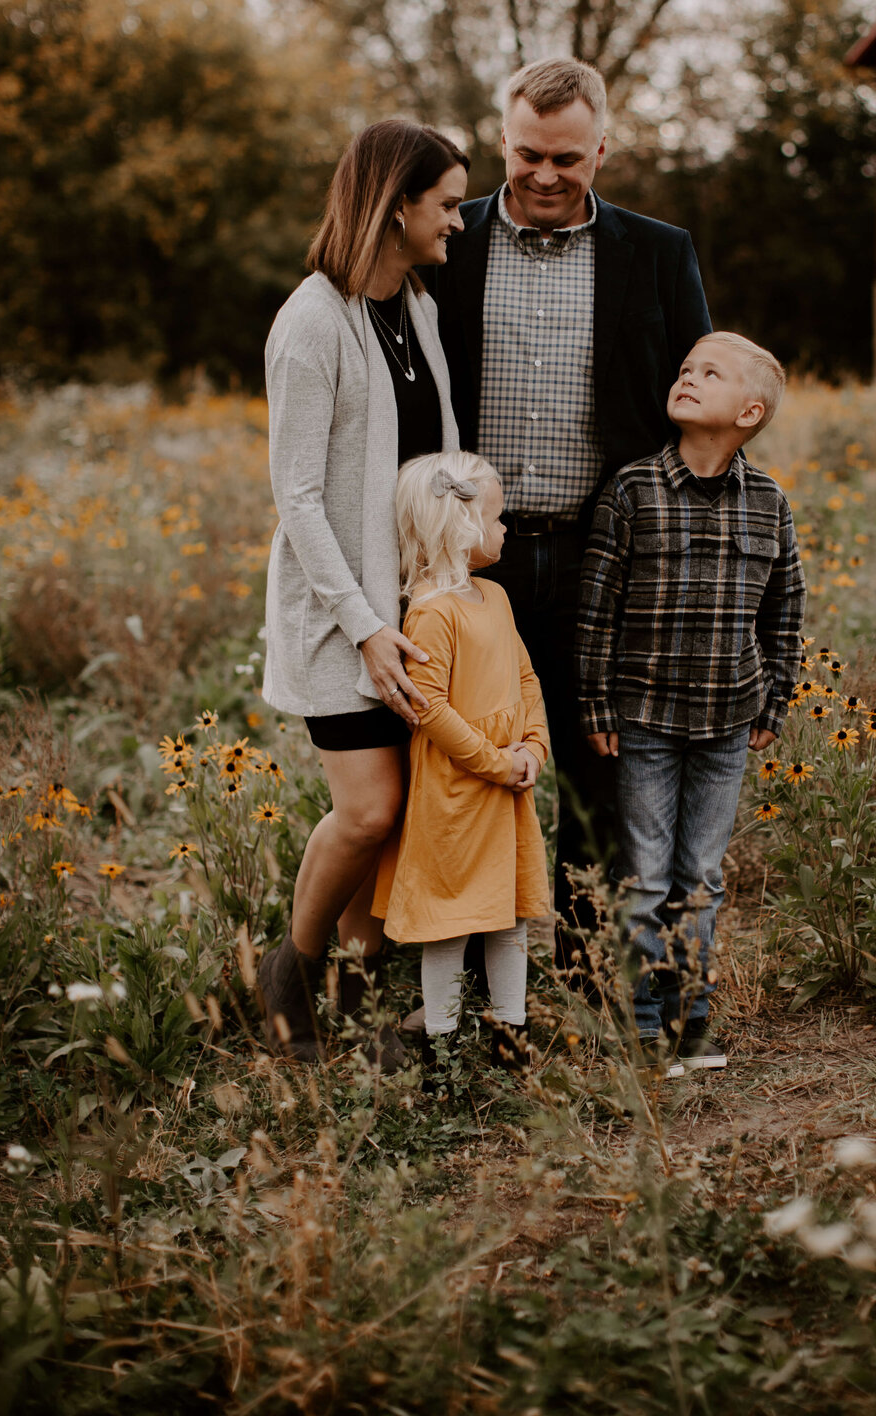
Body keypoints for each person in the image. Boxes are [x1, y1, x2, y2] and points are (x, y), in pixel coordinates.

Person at [426, 57, 711, 972]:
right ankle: (464, 971)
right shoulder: (444, 241)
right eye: (525, 154)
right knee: (472, 765)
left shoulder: (659, 252)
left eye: (566, 158)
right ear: (500, 140)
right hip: (472, 557)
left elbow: (696, 398)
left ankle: (587, 969)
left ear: (601, 148)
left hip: (602, 550)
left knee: (600, 764)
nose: (544, 175)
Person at [258, 120, 469, 1061]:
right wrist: (364, 627)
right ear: (396, 207)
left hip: (414, 612)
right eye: (449, 203)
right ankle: (287, 974)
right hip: (339, 615)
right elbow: (297, 498)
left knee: (402, 815)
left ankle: (361, 966)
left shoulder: (416, 307)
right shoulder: (311, 322)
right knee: (370, 811)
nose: (460, 221)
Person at [575, 333, 806, 1071]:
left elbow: (786, 608)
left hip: (727, 722)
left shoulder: (768, 502)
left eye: (709, 373)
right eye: (684, 369)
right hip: (643, 716)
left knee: (701, 877)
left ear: (749, 410)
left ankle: (691, 1017)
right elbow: (596, 610)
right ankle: (642, 1018)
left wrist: (774, 703)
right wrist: (596, 704)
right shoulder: (633, 490)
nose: (686, 378)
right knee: (645, 874)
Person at [371, 450, 550, 1074]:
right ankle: (441, 1050)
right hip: (458, 790)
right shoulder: (430, 611)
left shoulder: (495, 597)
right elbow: (428, 708)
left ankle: (511, 1036)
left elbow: (526, 676)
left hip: (505, 787)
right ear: (462, 524)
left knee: (508, 916)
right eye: (498, 519)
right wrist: (495, 762)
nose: (506, 530)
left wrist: (532, 745)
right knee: (450, 922)